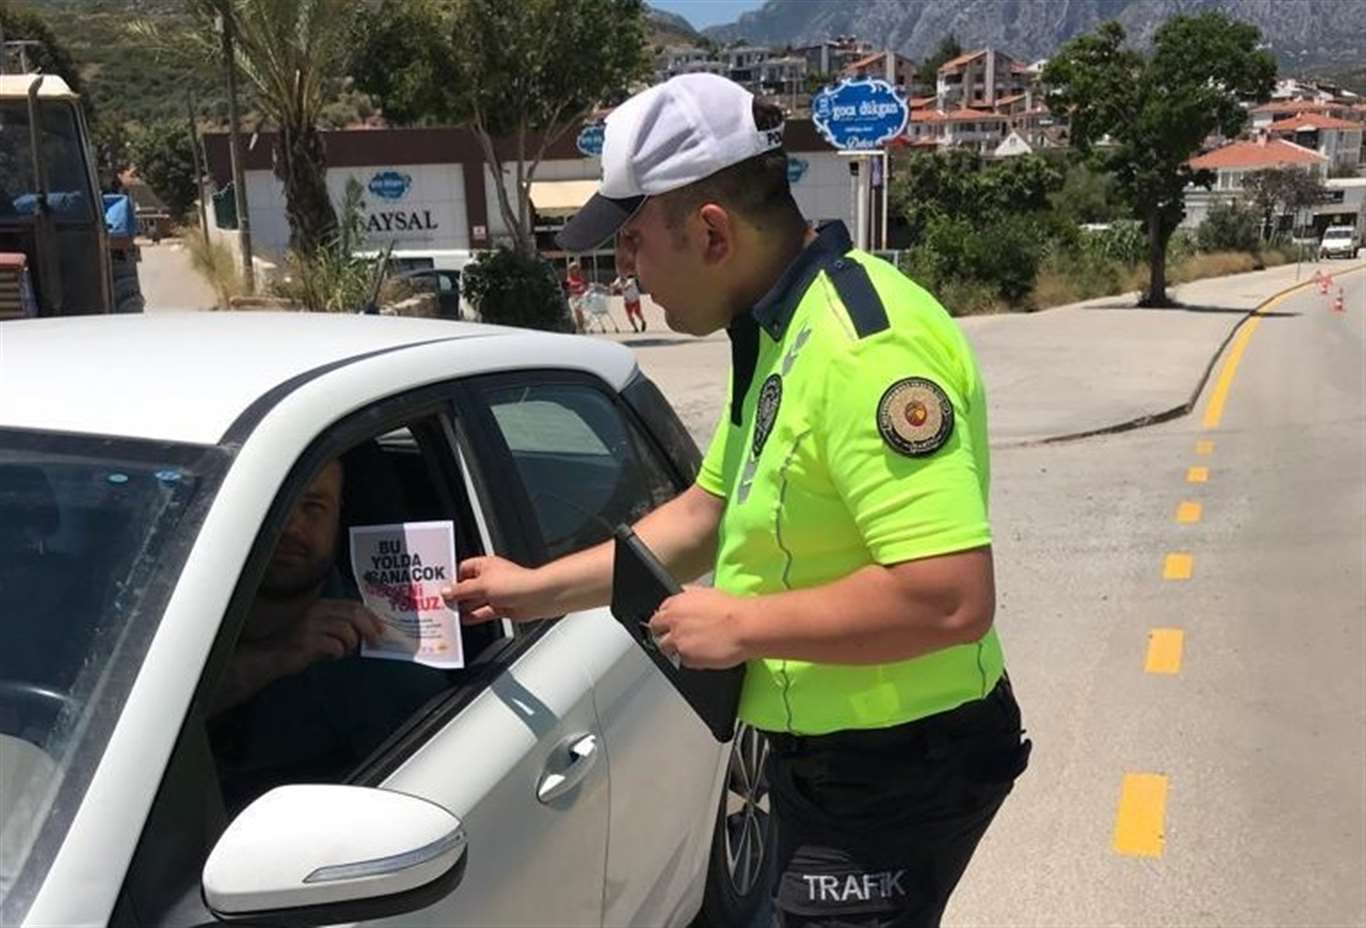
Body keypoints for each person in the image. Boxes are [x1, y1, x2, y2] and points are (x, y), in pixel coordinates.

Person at [446, 73, 1029, 928]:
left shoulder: (863, 346)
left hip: (900, 765)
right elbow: (706, 512)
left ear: (711, 231)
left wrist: (741, 626)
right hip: (827, 754)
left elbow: (950, 597)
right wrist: (529, 589)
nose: (626, 271)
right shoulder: (774, 329)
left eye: (634, 242)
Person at [209, 458, 448, 812]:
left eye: (313, 507)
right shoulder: (156, 613)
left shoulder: (386, 657)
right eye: (272, 506)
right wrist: (269, 658)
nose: (290, 526)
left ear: (341, 519)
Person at [565, 260, 588, 332]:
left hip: (581, 297)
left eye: (576, 268)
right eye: (573, 268)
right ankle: (580, 325)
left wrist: (582, 288)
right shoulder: (569, 279)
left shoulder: (580, 278)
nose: (575, 270)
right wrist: (576, 290)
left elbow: (584, 286)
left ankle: (581, 325)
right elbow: (568, 289)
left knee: (578, 307)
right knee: (577, 307)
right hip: (574, 297)